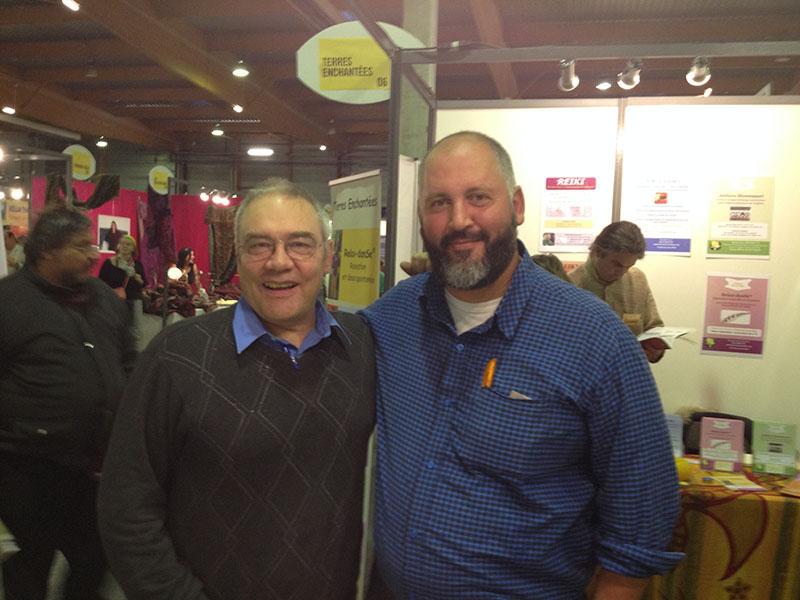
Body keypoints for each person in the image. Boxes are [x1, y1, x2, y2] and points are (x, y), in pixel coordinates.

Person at [361, 131, 682, 599]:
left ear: (517, 205)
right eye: (439, 202)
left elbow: (639, 520)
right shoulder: (391, 318)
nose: (459, 220)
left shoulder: (595, 339)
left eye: (478, 197)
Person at [98, 178, 376, 600]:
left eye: (300, 244)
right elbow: (126, 507)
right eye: (259, 245)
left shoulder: (360, 347)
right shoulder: (177, 356)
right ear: (238, 258)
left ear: (328, 258)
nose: (279, 262)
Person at [0, 207, 136, 600]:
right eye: (81, 246)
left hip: (94, 469)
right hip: (27, 469)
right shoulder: (9, 303)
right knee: (31, 564)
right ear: (47, 251)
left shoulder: (103, 298)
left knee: (95, 558)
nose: (93, 254)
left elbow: (128, 360)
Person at [569, 221, 668, 363]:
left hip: (630, 372)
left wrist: (656, 350)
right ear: (596, 253)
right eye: (616, 264)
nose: (622, 272)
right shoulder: (569, 285)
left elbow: (653, 326)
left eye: (628, 266)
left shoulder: (637, 280)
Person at [98, 234, 146, 302]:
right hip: (113, 300)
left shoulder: (137, 265)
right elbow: (100, 283)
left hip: (134, 301)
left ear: (133, 248)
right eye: (122, 243)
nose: (124, 246)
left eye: (128, 244)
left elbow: (143, 285)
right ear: (118, 246)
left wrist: (137, 278)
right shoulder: (109, 263)